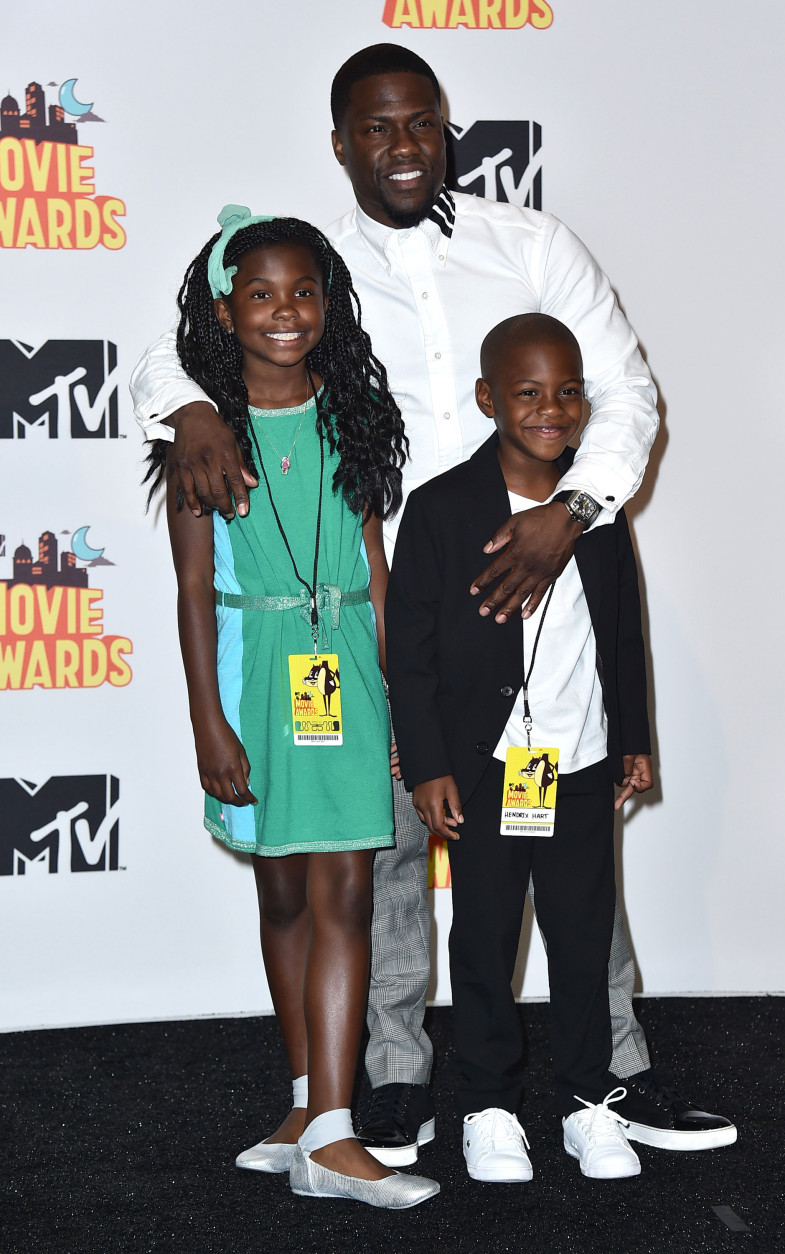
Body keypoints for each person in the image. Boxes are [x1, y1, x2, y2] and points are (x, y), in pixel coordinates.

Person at [131, 44, 735, 1160]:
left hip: (546, 578)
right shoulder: (320, 273)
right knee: (397, 839)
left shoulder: (531, 242)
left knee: (567, 844)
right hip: (395, 597)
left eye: (420, 124)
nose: (401, 147)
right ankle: (398, 1080)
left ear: (446, 128)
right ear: (338, 143)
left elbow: (626, 387)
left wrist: (577, 510)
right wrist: (186, 411)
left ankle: (607, 1073)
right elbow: (187, 337)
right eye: (374, 128)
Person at [147, 205, 438, 1208]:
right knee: (281, 897)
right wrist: (207, 723)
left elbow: (373, 564)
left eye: (302, 292)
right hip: (255, 675)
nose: (284, 313)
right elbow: (191, 592)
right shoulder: (200, 438)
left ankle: (335, 1132)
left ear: (328, 302)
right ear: (224, 312)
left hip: (348, 668)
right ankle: (306, 1098)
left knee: (345, 892)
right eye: (260, 295)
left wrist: (403, 703)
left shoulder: (352, 413)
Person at [386, 313, 654, 1181]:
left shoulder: (596, 507)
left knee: (582, 935)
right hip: (483, 765)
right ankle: (489, 1105)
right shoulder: (439, 509)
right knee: (485, 939)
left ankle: (588, 1102)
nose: (552, 409)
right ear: (486, 399)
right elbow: (412, 648)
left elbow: (621, 629)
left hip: (576, 760)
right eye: (529, 392)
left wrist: (633, 739)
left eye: (569, 391)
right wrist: (426, 761)